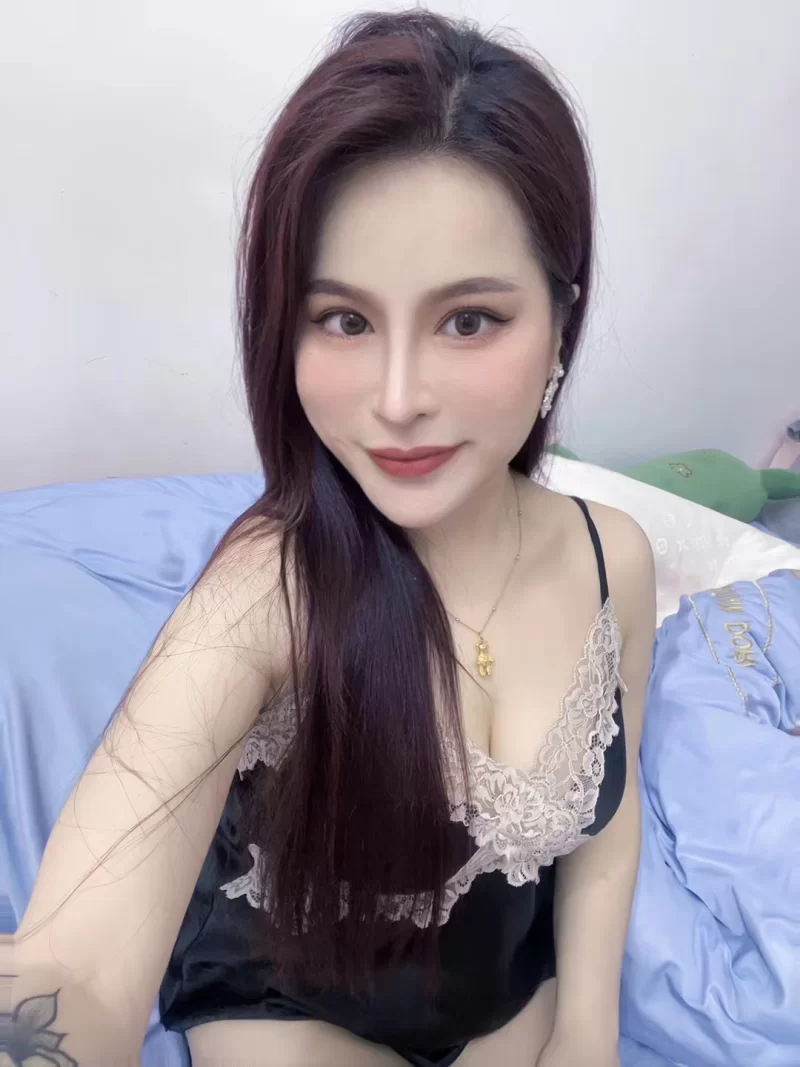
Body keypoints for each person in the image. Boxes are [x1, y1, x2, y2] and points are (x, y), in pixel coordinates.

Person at [10, 9, 655, 1067]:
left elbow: (604, 825)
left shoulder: (610, 559)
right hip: (293, 1014)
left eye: (469, 320)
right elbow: (75, 959)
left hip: (510, 997)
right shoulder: (268, 587)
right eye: (344, 320)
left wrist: (589, 1027)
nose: (397, 401)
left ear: (559, 325)